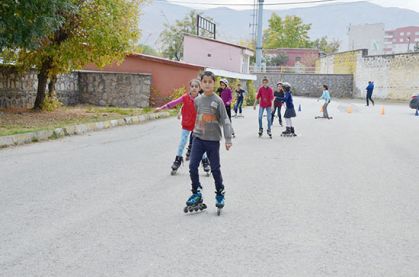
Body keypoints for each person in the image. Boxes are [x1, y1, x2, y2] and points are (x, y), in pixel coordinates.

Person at [185, 71, 233, 214]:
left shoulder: (218, 101)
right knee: (192, 166)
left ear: (214, 83)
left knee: (215, 169)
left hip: (213, 141)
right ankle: (196, 192)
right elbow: (197, 117)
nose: (207, 84)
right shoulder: (197, 100)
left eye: (209, 82)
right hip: (198, 138)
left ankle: (220, 192)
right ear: (201, 84)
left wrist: (228, 138)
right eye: (204, 82)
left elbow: (225, 120)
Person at [156, 79, 210, 175]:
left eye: (196, 87)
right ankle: (177, 160)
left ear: (199, 88)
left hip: (197, 126)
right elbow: (174, 103)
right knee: (182, 143)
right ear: (190, 87)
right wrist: (162, 108)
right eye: (192, 86)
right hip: (186, 124)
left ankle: (205, 162)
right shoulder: (185, 97)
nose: (194, 88)